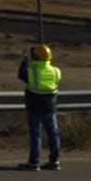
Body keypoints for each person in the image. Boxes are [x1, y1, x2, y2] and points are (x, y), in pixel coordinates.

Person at [17, 43, 62, 171]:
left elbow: (21, 74)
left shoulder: (32, 71)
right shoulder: (56, 71)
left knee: (36, 135)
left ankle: (34, 162)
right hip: (51, 108)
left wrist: (25, 61)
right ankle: (54, 161)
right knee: (53, 134)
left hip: (35, 108)